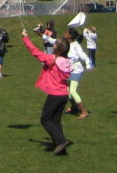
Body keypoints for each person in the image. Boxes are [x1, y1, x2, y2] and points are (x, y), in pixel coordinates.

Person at [21, 27, 73, 156]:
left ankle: (61, 141)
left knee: (45, 119)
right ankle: (61, 148)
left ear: (58, 48)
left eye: (55, 43)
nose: (53, 44)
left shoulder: (52, 59)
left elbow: (36, 52)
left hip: (55, 95)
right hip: (64, 95)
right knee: (55, 121)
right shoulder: (65, 60)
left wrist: (25, 38)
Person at [64, 26, 92, 118]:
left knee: (72, 91)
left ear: (70, 36)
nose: (64, 33)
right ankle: (74, 107)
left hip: (77, 70)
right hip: (69, 70)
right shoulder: (66, 44)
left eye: (66, 32)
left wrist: (88, 65)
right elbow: (54, 41)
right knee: (67, 91)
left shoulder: (75, 45)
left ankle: (84, 111)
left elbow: (83, 55)